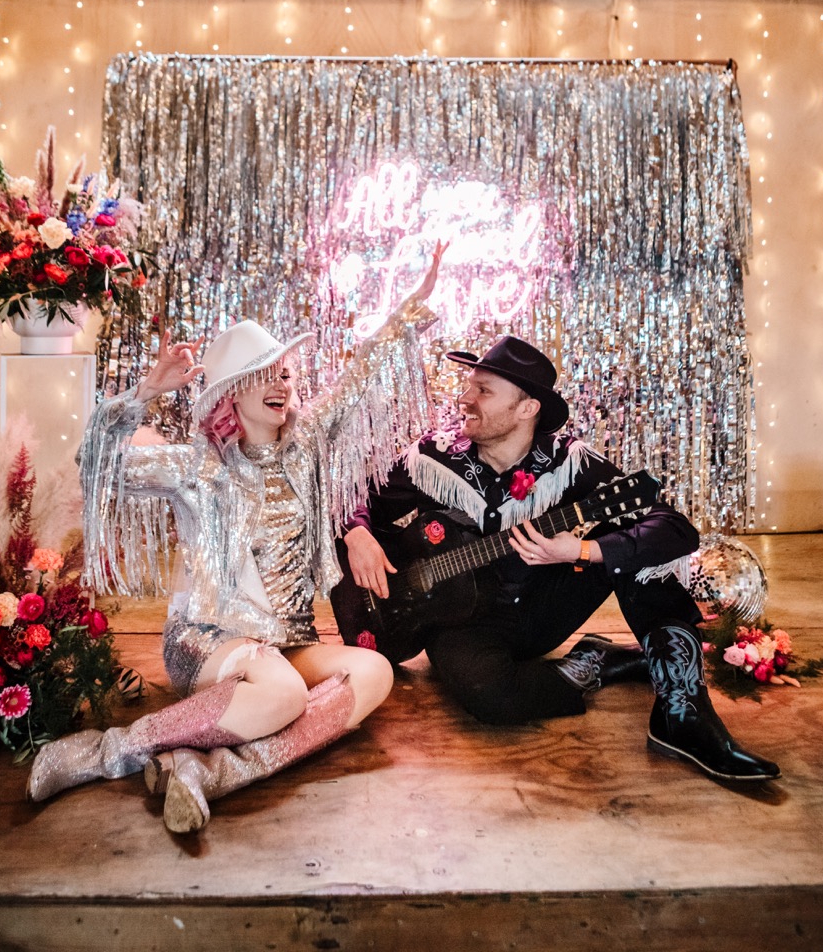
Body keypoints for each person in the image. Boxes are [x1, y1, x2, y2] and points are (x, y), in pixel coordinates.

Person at [27, 247, 443, 832]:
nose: (281, 382)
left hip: (290, 639)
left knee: (373, 672)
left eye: (286, 372)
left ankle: (209, 771)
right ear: (232, 394)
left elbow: (360, 376)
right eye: (264, 374)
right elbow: (96, 464)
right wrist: (146, 390)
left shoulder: (309, 445)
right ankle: (106, 751)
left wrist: (408, 309)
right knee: (282, 695)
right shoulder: (200, 467)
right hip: (211, 639)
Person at [331, 335, 780, 783]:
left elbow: (674, 528)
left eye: (483, 390)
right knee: (491, 701)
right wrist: (357, 532)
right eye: (469, 386)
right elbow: (357, 501)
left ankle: (682, 710)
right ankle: (593, 663)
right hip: (460, 619)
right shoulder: (434, 457)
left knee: (634, 548)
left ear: (527, 409)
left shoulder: (571, 464)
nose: (464, 399)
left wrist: (584, 550)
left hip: (541, 606)